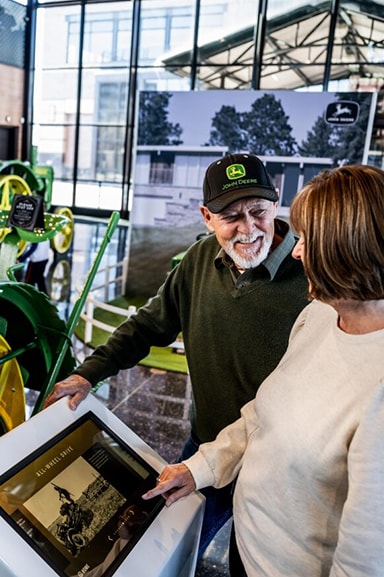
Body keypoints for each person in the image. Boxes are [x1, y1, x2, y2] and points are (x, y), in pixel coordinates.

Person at [43, 153, 309, 556]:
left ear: (276, 204)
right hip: (205, 447)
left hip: (278, 466)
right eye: (230, 217)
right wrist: (89, 373)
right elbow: (148, 325)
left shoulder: (312, 277)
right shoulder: (199, 260)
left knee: (252, 562)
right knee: (169, 548)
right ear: (206, 217)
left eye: (258, 211)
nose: (248, 228)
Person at [142, 164, 384, 577]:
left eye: (307, 239)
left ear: (346, 249)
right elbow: (263, 413)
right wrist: (198, 468)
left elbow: (365, 559)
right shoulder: (319, 317)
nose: (295, 250)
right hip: (248, 551)